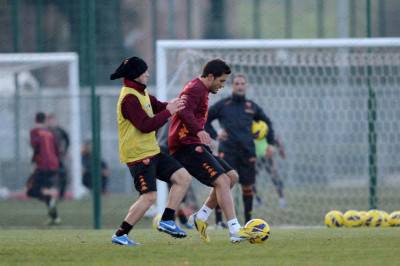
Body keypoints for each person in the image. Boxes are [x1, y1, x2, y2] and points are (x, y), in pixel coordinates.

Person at [168, 59, 258, 243]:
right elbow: (182, 111)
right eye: (221, 81)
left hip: (194, 144)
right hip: (185, 146)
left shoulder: (200, 88)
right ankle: (234, 229)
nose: (222, 85)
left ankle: (200, 217)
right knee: (222, 180)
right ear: (210, 76)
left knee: (232, 176)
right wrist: (200, 131)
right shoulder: (195, 89)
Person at [110, 56, 192, 246]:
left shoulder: (141, 92)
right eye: (144, 71)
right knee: (149, 197)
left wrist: (176, 104)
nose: (148, 73)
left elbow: (159, 106)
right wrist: (168, 112)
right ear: (135, 74)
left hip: (152, 151)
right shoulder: (129, 98)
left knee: (182, 178)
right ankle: (121, 234)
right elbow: (145, 125)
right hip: (138, 155)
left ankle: (167, 221)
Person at [205, 74, 277, 223]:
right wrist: (215, 133)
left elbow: (268, 123)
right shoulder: (223, 105)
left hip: (247, 152)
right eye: (237, 83)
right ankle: (219, 222)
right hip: (227, 151)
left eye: (242, 83)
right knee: (222, 185)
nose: (240, 86)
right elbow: (205, 120)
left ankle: (248, 222)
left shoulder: (251, 106)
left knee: (248, 187)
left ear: (246, 86)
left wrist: (270, 143)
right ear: (232, 86)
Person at [26, 112, 61, 225]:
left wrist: (33, 162)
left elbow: (35, 146)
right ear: (44, 120)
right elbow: (56, 149)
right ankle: (54, 217)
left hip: (42, 165)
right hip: (53, 165)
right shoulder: (49, 133)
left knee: (31, 190)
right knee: (45, 188)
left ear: (35, 120)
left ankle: (50, 195)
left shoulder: (34, 131)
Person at [254, 135, 287, 208]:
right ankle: (257, 200)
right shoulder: (249, 129)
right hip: (256, 158)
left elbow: (276, 139)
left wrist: (281, 150)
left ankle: (282, 199)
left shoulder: (265, 129)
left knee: (274, 177)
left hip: (267, 157)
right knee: (251, 180)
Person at [46, 113, 70, 200]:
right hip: (47, 159)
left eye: (52, 120)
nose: (51, 122)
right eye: (49, 120)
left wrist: (65, 150)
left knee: (63, 174)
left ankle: (61, 195)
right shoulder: (44, 131)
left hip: (58, 157)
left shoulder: (60, 131)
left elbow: (67, 139)